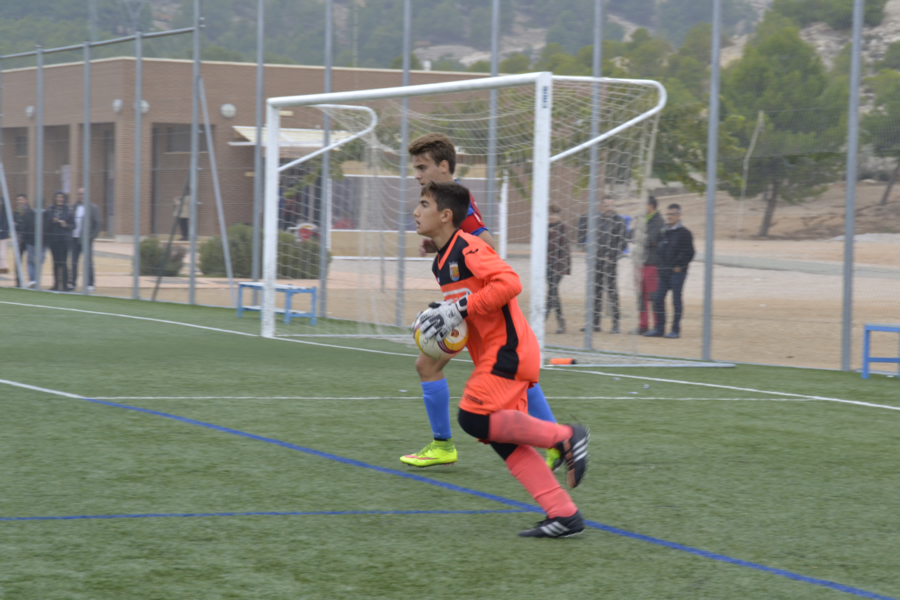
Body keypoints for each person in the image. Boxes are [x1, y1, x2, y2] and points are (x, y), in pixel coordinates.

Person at [415, 180, 589, 538]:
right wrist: (447, 318)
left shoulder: (468, 246)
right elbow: (472, 307)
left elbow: (509, 282)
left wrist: (458, 307)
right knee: (504, 440)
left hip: (509, 349)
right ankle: (564, 514)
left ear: (445, 215)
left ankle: (565, 436)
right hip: (492, 355)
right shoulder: (442, 262)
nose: (415, 212)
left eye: (423, 204)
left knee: (473, 418)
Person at [401, 132, 560, 470]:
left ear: (443, 167)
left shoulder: (459, 206)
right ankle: (444, 445)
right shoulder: (451, 200)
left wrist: (460, 303)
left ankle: (554, 439)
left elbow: (486, 248)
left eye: (422, 167)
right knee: (427, 364)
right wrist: (440, 246)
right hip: (463, 307)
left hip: (478, 308)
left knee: (508, 374)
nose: (417, 174)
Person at [645, 203, 695, 339]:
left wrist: (680, 265)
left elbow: (689, 253)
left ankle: (675, 330)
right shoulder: (664, 232)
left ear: (679, 215)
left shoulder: (685, 233)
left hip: (677, 273)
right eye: (668, 214)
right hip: (664, 272)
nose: (669, 217)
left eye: (672, 214)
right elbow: (659, 250)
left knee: (676, 301)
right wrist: (661, 266)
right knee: (658, 298)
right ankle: (659, 328)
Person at [585, 197, 627, 334]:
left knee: (612, 292)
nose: (609, 208)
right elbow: (592, 240)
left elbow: (622, 243)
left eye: (611, 205)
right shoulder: (597, 220)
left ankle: (616, 324)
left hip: (610, 263)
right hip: (597, 262)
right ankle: (595, 324)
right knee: (596, 292)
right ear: (602, 206)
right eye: (606, 205)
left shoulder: (619, 221)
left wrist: (611, 255)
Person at [634, 196, 664, 335]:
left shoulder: (658, 221)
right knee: (641, 296)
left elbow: (651, 238)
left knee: (653, 296)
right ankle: (643, 325)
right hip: (640, 263)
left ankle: (657, 326)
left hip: (652, 264)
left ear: (651, 206)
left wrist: (642, 238)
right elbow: (631, 234)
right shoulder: (641, 219)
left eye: (643, 204)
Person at [69, 188, 101, 292]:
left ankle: (90, 283)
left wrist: (91, 237)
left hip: (86, 240)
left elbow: (98, 224)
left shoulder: (93, 208)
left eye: (83, 194)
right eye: (79, 194)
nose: (81, 196)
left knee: (88, 262)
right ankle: (72, 283)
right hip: (74, 239)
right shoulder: (74, 207)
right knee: (73, 262)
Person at [546, 203, 571, 334]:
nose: (551, 217)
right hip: (547, 266)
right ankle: (560, 323)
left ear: (559, 215)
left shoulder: (562, 228)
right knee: (553, 293)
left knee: (552, 291)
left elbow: (562, 247)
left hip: (558, 266)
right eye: (549, 214)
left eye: (554, 214)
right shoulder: (544, 228)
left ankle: (546, 319)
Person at [46, 191, 74, 291]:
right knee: (55, 263)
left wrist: (66, 225)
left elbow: (72, 225)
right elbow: (46, 223)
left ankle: (65, 285)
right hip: (54, 241)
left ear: (64, 199)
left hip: (64, 241)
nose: (59, 199)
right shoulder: (51, 209)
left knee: (63, 263)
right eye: (57, 197)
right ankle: (56, 285)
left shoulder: (68, 210)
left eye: (61, 197)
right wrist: (51, 221)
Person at [13, 194, 37, 287]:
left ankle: (32, 281)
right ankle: (18, 281)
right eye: (18, 200)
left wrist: (17, 225)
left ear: (26, 201)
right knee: (18, 260)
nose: (20, 202)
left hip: (28, 240)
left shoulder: (30, 212)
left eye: (22, 200)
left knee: (30, 261)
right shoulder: (15, 213)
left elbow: (26, 226)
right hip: (19, 240)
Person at [0, 200, 9, 275]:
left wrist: (1, 229)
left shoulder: (5, 213)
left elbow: (5, 224)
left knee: (2, 254)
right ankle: (3, 267)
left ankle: (4, 267)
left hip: (3, 236)